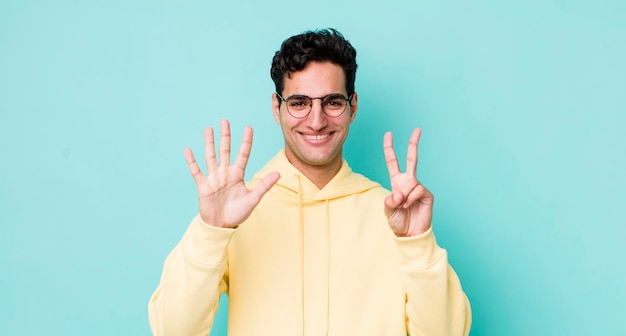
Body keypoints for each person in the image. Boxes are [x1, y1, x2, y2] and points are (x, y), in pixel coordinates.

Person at [148, 28, 471, 335]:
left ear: (352, 107)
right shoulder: (235, 211)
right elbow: (174, 331)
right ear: (277, 108)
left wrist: (418, 244)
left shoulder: (395, 217)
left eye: (332, 102)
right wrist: (211, 232)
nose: (316, 121)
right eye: (299, 103)